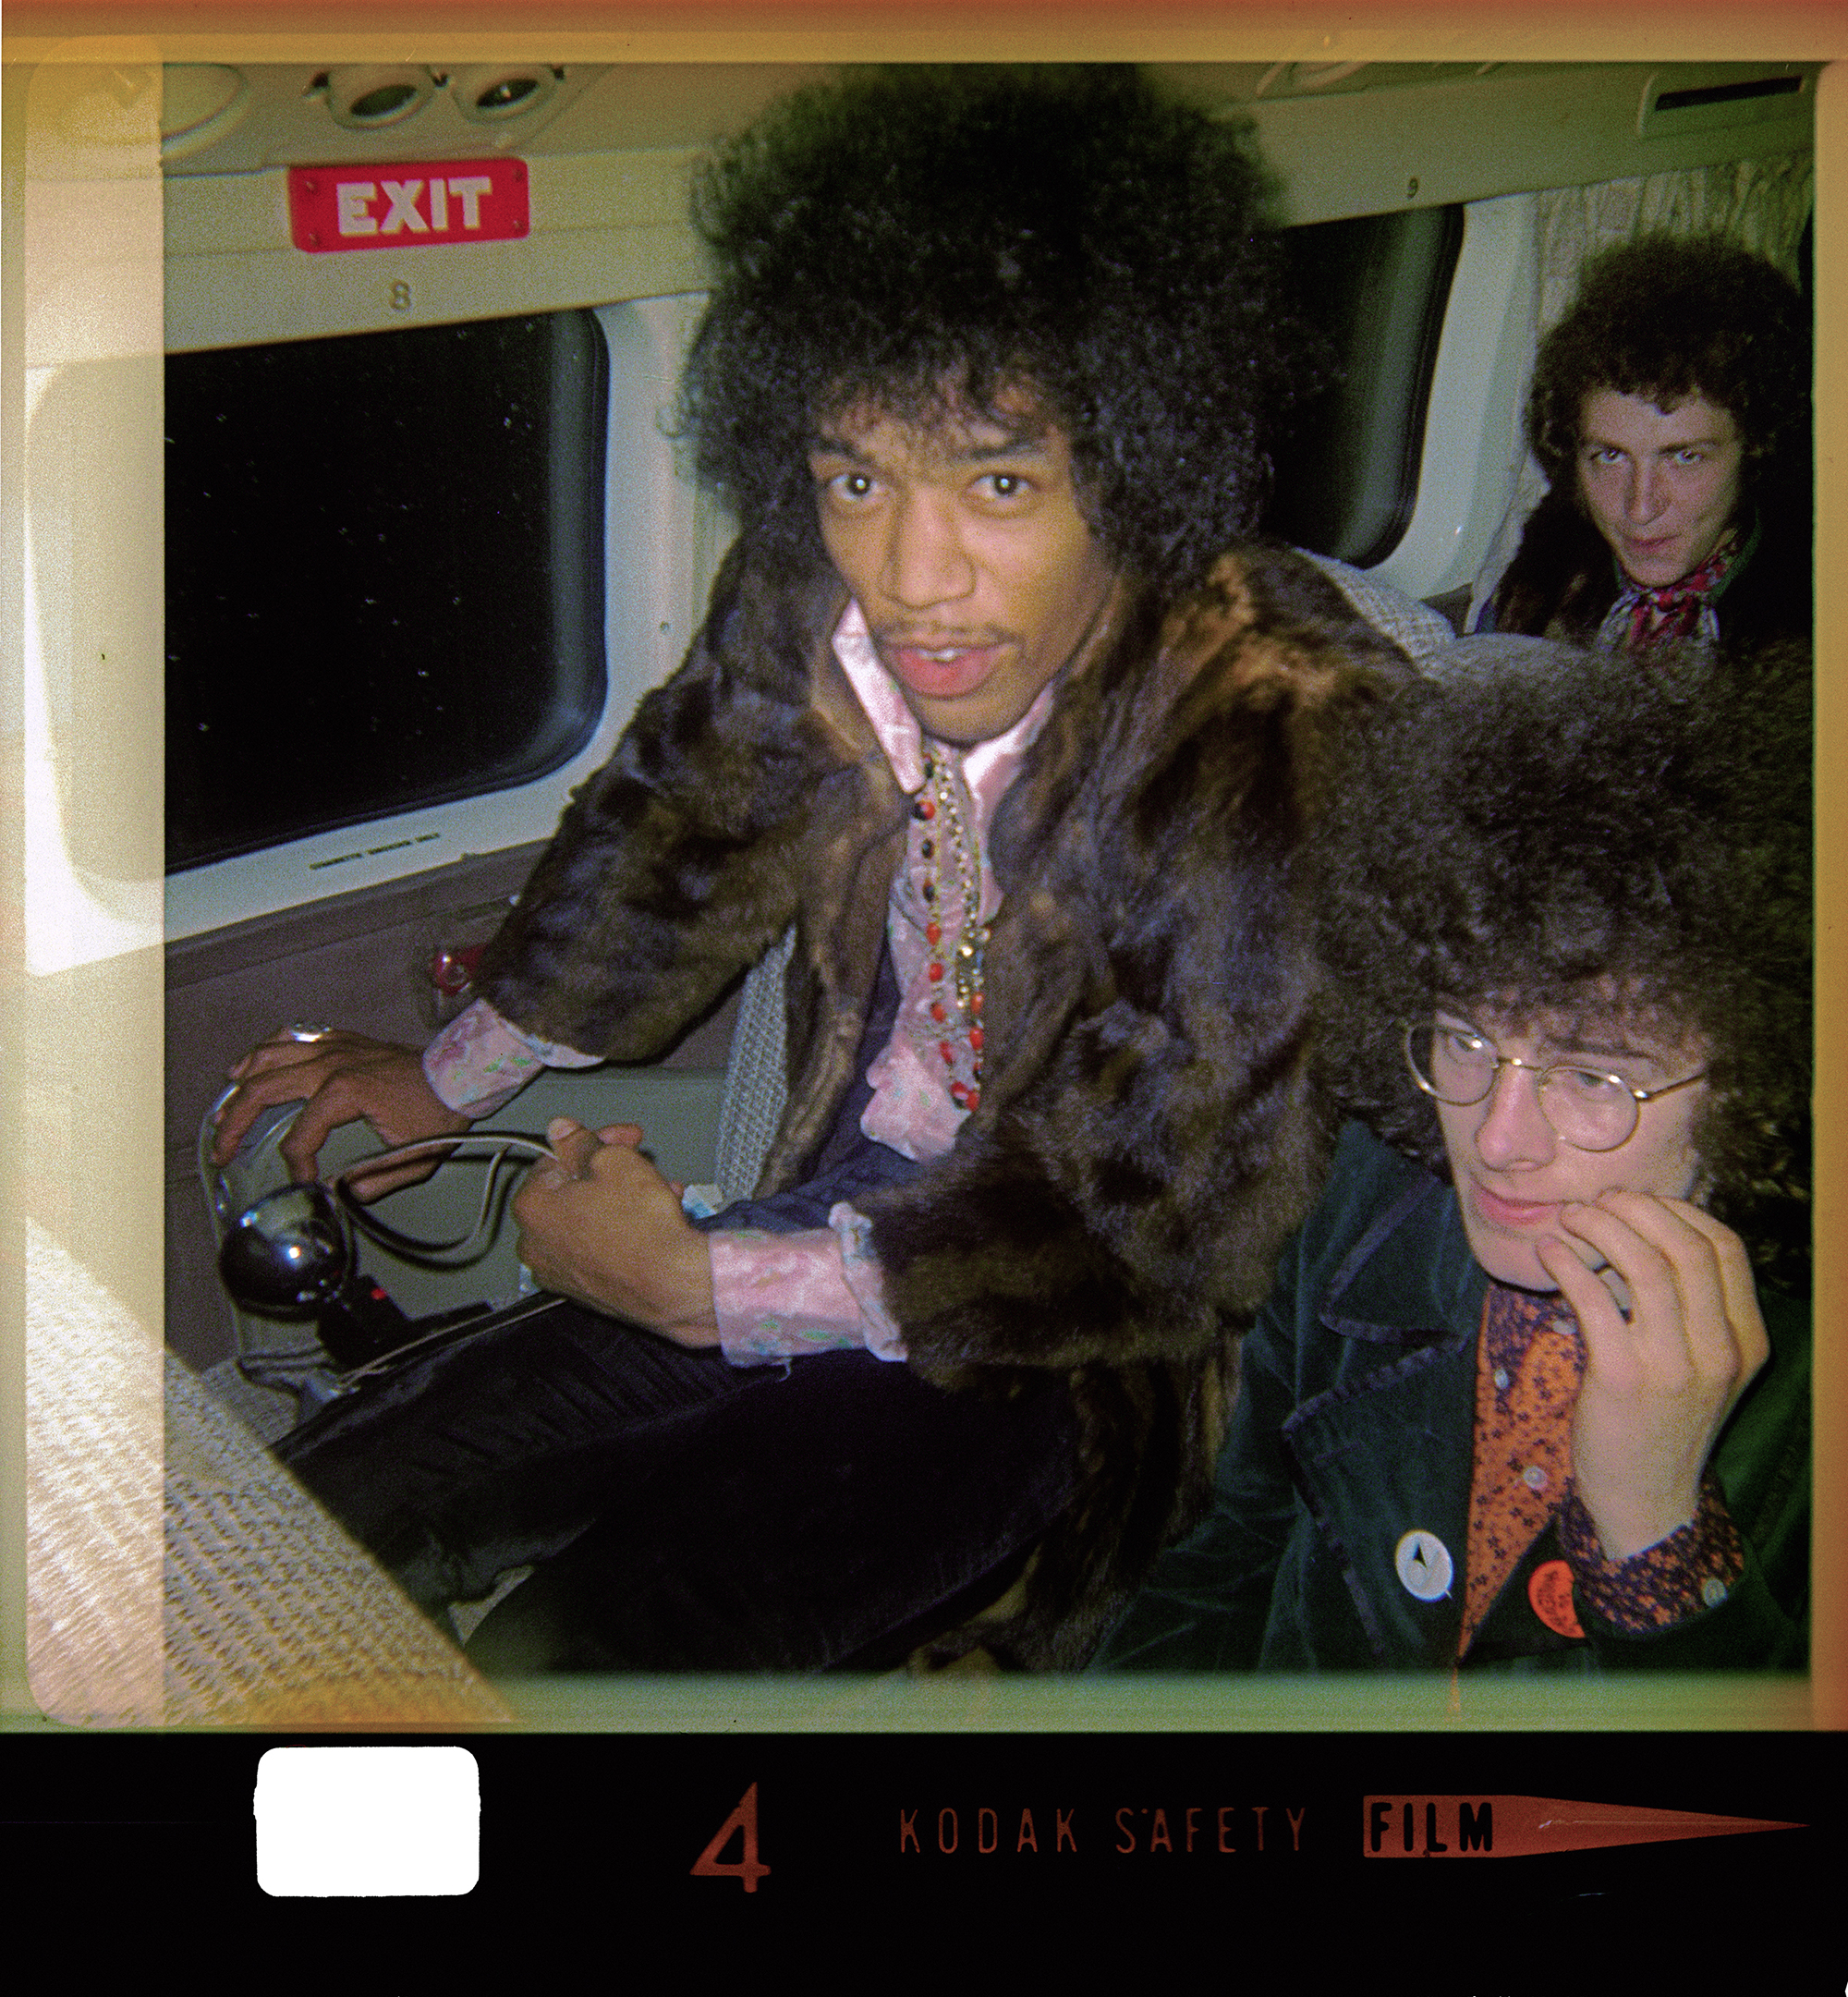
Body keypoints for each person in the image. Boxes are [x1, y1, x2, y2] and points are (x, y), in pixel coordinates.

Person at [208, 66, 1428, 1673]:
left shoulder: (1272, 727)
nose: (914, 577)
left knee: (576, 1663)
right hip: (831, 1203)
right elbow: (675, 829)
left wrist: (704, 1289)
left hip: (1052, 1354)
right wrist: (448, 1079)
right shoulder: (816, 581)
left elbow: (1139, 1238)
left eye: (1000, 482)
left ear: (1128, 470)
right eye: (861, 477)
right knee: (306, 1519)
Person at [1100, 637, 1810, 1672]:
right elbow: (1234, 1551)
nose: (1492, 1138)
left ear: (1748, 1079)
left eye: (1590, 1077)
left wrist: (1656, 1538)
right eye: (1465, 1039)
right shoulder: (1364, 1199)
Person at [1478, 233, 1811, 659]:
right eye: (1609, 455)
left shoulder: (1809, 626)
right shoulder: (1538, 588)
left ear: (1755, 448)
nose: (1640, 508)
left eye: (1685, 457)